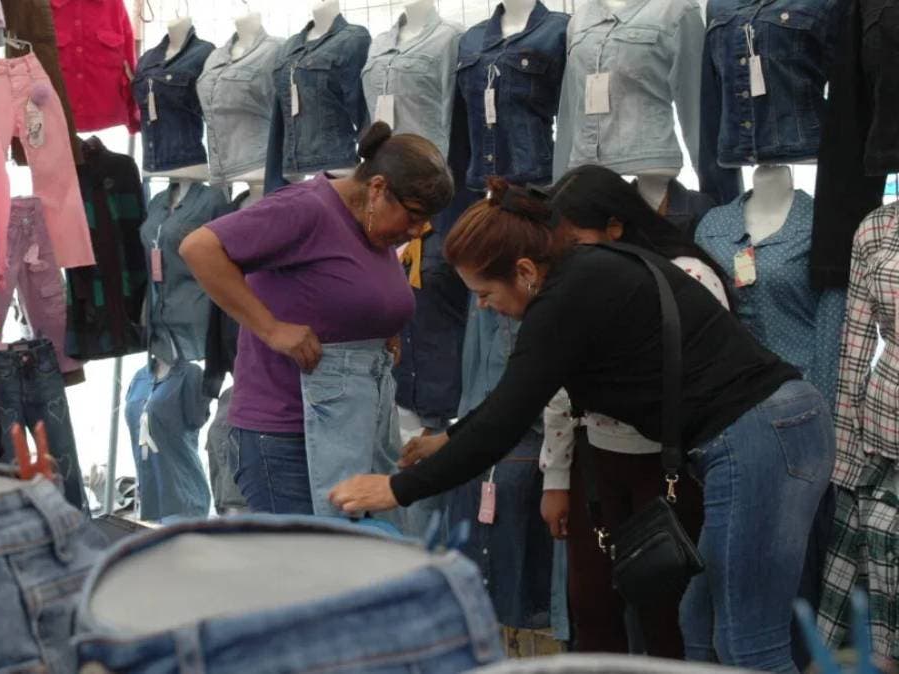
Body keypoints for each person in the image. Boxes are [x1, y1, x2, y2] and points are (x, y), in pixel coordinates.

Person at [329, 177, 835, 673]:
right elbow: (515, 398)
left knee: (749, 643)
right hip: (763, 433)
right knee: (697, 624)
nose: (482, 306)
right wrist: (448, 440)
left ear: (524, 270)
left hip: (764, 435)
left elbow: (506, 420)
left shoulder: (567, 297)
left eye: (484, 292)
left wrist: (396, 489)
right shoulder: (580, 276)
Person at [180, 121, 454, 514]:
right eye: (412, 216)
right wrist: (270, 328)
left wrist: (380, 330)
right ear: (377, 189)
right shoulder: (305, 208)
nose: (415, 231)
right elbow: (199, 247)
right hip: (285, 436)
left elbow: (336, 294)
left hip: (350, 429)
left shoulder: (372, 228)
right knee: (308, 570)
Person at [536, 166, 731, 658]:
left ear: (616, 227)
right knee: (591, 604)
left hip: (669, 467)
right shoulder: (571, 281)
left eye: (577, 241)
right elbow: (556, 381)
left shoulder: (688, 275)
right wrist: (555, 477)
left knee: (668, 610)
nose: (570, 256)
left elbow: (711, 379)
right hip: (594, 463)